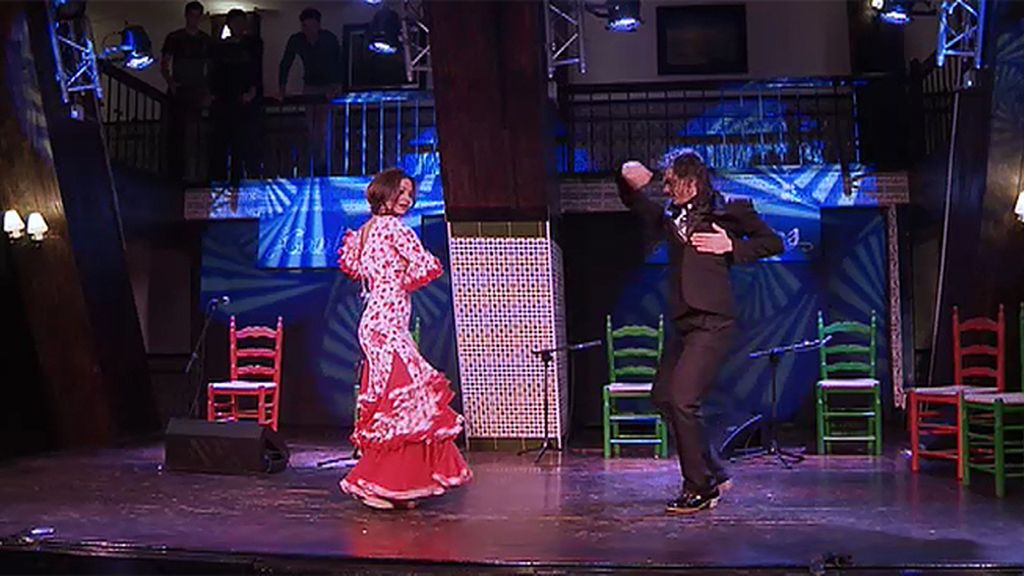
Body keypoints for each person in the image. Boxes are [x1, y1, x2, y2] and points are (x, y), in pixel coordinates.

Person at [617, 151, 783, 514]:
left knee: (683, 399)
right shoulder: (670, 219)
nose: (665, 186)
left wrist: (732, 246)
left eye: (671, 181)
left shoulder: (728, 210)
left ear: (691, 182)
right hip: (684, 323)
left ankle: (700, 487)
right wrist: (626, 176)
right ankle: (711, 467)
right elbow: (635, 201)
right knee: (664, 397)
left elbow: (774, 242)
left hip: (713, 320)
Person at [337, 168, 472, 510]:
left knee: (396, 403)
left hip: (375, 323)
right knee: (407, 401)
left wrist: (393, 281)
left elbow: (359, 270)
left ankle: (403, 482)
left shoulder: (363, 233)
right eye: (401, 191)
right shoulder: (395, 229)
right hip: (387, 325)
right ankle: (374, 482)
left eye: (410, 193)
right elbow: (426, 265)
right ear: (383, 192)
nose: (407, 199)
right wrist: (403, 279)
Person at [278, 7, 341, 176]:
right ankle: (317, 164)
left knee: (325, 129)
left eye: (312, 26)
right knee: (312, 129)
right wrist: (281, 89)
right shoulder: (297, 40)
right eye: (306, 27)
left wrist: (336, 87)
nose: (309, 31)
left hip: (328, 86)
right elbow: (285, 63)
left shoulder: (328, 39)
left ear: (318, 25)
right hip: (310, 86)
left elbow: (339, 63)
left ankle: (326, 166)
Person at [208, 8, 262, 187]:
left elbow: (256, 70)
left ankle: (240, 178)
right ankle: (219, 178)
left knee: (243, 140)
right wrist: (213, 93)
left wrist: (253, 90)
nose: (240, 26)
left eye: (242, 23)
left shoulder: (253, 44)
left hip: (244, 99)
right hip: (223, 99)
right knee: (221, 140)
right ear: (229, 24)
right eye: (237, 22)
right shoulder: (220, 47)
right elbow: (214, 72)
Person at [161, 1, 211, 180]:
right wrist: (171, 82)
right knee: (177, 134)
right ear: (186, 16)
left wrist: (207, 90)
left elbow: (210, 67)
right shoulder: (175, 38)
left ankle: (194, 175)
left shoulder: (205, 40)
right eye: (192, 15)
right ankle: (176, 175)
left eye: (197, 16)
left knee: (196, 134)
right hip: (180, 90)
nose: (194, 20)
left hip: (197, 90)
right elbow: (165, 63)